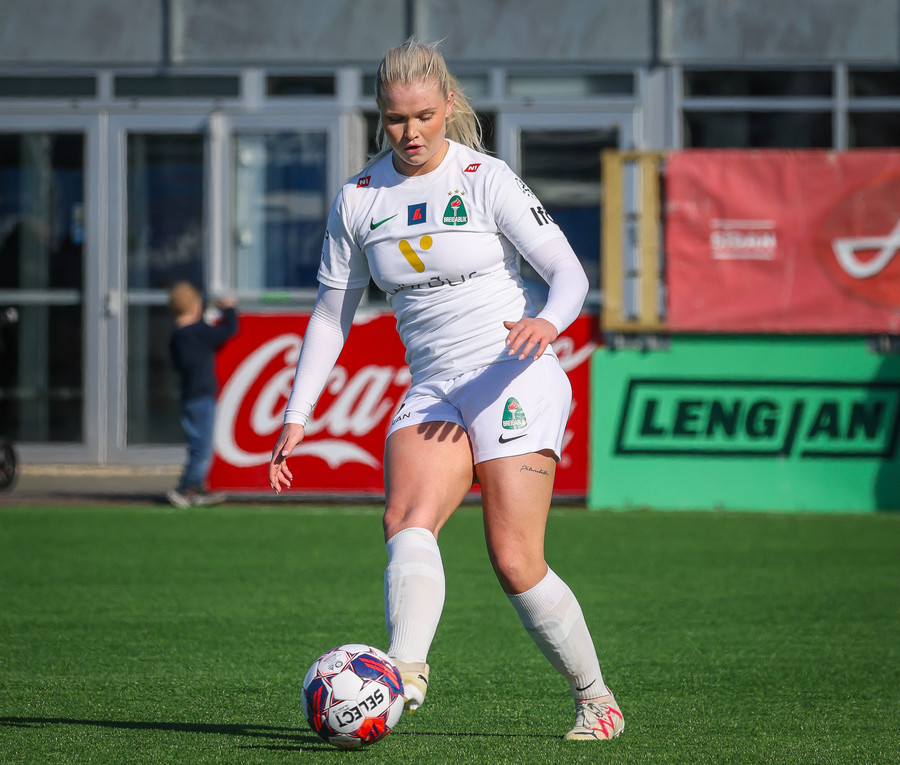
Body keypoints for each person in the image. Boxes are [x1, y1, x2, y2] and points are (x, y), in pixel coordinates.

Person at [268, 38, 623, 742]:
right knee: (406, 519)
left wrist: (547, 324)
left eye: (424, 116)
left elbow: (569, 274)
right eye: (396, 119)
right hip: (435, 385)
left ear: (448, 104)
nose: (411, 132)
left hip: (512, 373)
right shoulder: (359, 199)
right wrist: (297, 413)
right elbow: (331, 316)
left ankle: (596, 699)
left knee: (514, 559)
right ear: (380, 115)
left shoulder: (484, 177)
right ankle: (404, 671)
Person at [167, 281, 238, 508]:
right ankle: (186, 489)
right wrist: (229, 309)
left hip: (188, 395)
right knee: (202, 448)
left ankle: (197, 490)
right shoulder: (198, 331)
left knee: (196, 445)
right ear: (195, 307)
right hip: (202, 397)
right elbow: (229, 330)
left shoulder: (176, 336)